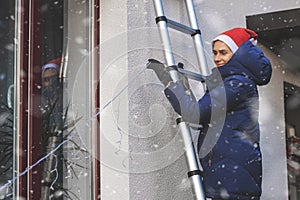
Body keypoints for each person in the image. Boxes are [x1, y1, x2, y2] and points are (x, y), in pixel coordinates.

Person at [147, 27, 272, 200]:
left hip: (232, 176)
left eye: (223, 52)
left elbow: (195, 114)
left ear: (238, 54)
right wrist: (184, 89)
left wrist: (169, 83)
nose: (217, 58)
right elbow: (202, 119)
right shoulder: (232, 81)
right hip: (231, 173)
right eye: (214, 53)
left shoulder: (237, 83)